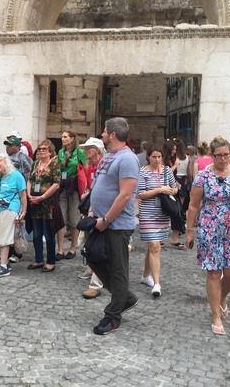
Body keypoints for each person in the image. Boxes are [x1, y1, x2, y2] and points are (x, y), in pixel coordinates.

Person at [186, 135, 230, 335]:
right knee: (214, 272)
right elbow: (193, 204)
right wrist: (189, 231)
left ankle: (222, 296)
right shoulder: (204, 176)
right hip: (209, 229)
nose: (223, 159)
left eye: (226, 155)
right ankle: (216, 314)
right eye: (219, 155)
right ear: (212, 155)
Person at [88, 117, 140, 335]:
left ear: (113, 134)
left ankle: (113, 316)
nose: (102, 135)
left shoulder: (128, 159)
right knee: (92, 256)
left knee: (117, 269)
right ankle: (125, 298)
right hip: (100, 221)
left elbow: (126, 194)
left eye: (104, 131)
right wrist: (92, 210)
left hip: (116, 224)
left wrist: (106, 220)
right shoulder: (109, 156)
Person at [137, 144, 178, 297]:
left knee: (152, 246)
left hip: (163, 213)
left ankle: (145, 275)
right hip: (148, 213)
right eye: (154, 157)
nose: (157, 160)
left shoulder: (167, 171)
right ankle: (156, 284)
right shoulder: (142, 172)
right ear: (148, 157)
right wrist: (160, 190)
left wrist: (171, 191)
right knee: (155, 246)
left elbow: (175, 188)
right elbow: (141, 194)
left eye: (159, 157)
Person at [0, 153, 27, 278]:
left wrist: (23, 212)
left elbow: (23, 195)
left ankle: (3, 266)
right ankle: (5, 263)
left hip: (9, 209)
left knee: (5, 237)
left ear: (6, 162)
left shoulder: (16, 175)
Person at [77, 137, 105, 299]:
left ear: (97, 149)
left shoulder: (103, 164)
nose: (85, 151)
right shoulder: (91, 166)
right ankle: (93, 269)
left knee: (100, 245)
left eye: (88, 148)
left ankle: (97, 277)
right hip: (92, 208)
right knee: (91, 240)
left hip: (101, 210)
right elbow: (90, 186)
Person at [26, 140, 61, 273]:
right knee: (37, 233)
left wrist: (42, 197)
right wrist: (29, 195)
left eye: (44, 149)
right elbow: (30, 180)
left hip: (47, 202)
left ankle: (51, 261)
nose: (40, 151)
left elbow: (56, 184)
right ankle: (38, 259)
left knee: (48, 232)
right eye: (39, 149)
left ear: (50, 152)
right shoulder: (35, 164)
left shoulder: (54, 165)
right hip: (34, 201)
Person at [56, 129, 87, 260]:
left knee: (74, 218)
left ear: (72, 138)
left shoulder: (79, 152)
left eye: (65, 137)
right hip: (63, 186)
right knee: (61, 218)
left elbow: (85, 169)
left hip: (74, 187)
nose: (62, 139)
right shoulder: (60, 152)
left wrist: (86, 188)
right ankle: (60, 249)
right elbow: (58, 167)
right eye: (62, 137)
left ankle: (73, 247)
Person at [170, 140, 189, 248]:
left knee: (175, 205)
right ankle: (180, 226)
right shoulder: (186, 157)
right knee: (180, 205)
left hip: (176, 178)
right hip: (184, 179)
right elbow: (188, 170)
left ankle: (178, 226)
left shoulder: (175, 158)